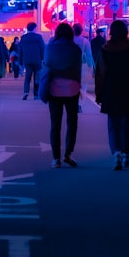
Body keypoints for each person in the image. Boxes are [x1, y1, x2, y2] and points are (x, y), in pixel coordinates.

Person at [95, 20, 129, 170]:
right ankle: (126, 153)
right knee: (127, 123)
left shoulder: (105, 50)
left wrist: (99, 94)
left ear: (111, 32)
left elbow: (100, 74)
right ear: (126, 32)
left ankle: (117, 153)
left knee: (113, 123)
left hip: (111, 90)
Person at [41, 22, 82, 168]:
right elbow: (78, 71)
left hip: (54, 90)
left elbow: (47, 67)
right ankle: (68, 154)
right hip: (72, 89)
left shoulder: (50, 48)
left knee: (55, 124)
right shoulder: (76, 50)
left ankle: (56, 158)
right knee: (72, 122)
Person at [19, 22, 46, 100]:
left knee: (28, 76)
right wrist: (43, 59)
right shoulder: (38, 37)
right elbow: (42, 48)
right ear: (34, 28)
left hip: (26, 60)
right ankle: (36, 94)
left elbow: (20, 50)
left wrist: (20, 61)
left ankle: (25, 92)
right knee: (36, 77)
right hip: (37, 60)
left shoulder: (23, 37)